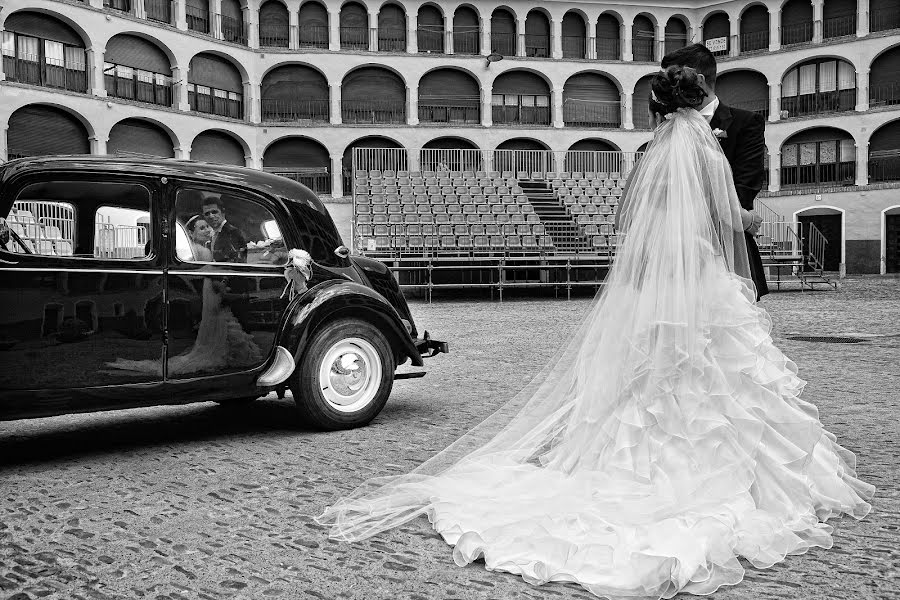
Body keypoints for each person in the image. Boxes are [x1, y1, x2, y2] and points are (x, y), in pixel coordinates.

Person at [315, 66, 874, 599]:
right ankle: (719, 474)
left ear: (658, 107)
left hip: (656, 279)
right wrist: (752, 220)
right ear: (700, 99)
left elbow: (627, 220)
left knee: (650, 374)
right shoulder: (705, 149)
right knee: (717, 373)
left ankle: (637, 461)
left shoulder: (653, 152)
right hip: (700, 277)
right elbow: (731, 219)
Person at [661, 43, 769, 300]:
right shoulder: (666, 126)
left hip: (726, 254)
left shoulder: (746, 123)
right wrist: (747, 219)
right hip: (674, 255)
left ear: (698, 80)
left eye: (673, 79)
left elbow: (745, 187)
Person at [105, 214, 262, 377]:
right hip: (210, 289)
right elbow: (203, 272)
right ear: (191, 233)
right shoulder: (202, 251)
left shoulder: (204, 249)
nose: (207, 230)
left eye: (207, 226)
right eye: (202, 228)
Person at [201, 196, 247, 263]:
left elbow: (238, 260)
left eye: (214, 212)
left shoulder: (232, 232)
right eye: (207, 214)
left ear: (223, 212)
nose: (211, 216)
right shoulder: (211, 234)